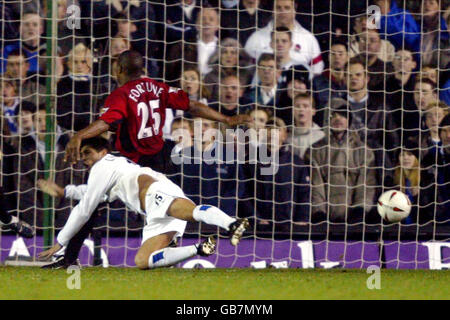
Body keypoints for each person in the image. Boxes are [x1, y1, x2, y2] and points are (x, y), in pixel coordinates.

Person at [52, 50, 250, 269]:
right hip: (157, 158)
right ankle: (173, 242)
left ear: (120, 69)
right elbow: (192, 105)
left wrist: (80, 135)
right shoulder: (158, 87)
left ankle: (67, 257)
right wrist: (226, 118)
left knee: (91, 206)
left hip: (128, 160)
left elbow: (106, 122)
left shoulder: (121, 94)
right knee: (161, 204)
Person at [38, 137, 249, 269]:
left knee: (191, 212)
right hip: (152, 211)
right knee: (143, 260)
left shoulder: (104, 165)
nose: (85, 158)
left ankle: (231, 223)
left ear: (103, 153)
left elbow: (85, 208)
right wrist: (64, 191)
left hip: (156, 193)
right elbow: (93, 194)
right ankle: (200, 248)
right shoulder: (110, 171)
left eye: (88, 153)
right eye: (82, 154)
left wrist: (62, 240)